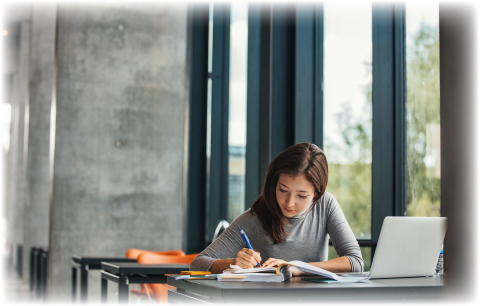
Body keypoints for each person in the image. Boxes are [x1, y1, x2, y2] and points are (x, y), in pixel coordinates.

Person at [190, 142, 363, 275]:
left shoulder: (325, 205)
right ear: (274, 183)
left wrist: (297, 267)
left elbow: (355, 262)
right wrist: (233, 263)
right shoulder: (255, 218)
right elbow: (198, 264)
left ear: (316, 194)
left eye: (301, 196)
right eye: (283, 190)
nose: (289, 203)